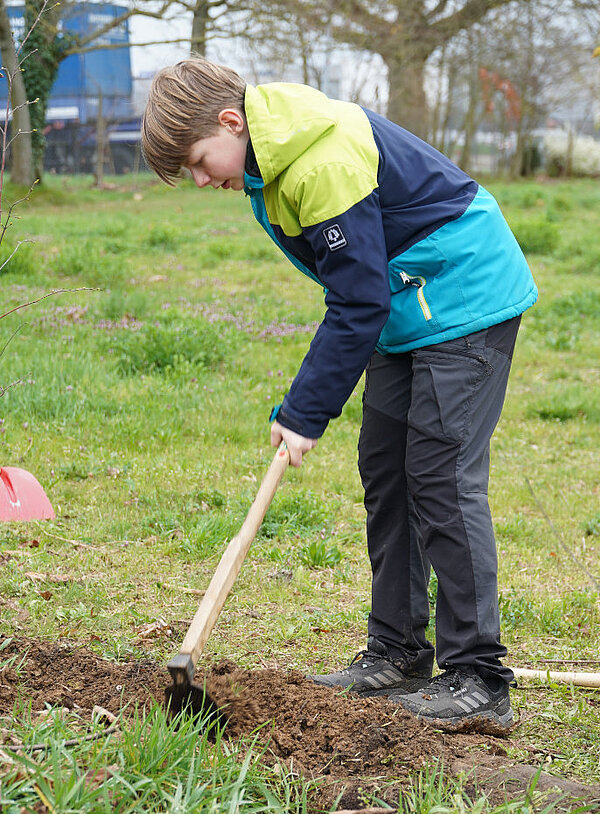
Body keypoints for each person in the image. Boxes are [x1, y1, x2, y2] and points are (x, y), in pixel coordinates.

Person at [141, 57, 537, 734]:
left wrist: (304, 412)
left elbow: (355, 298)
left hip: (463, 292)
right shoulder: (267, 161)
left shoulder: (318, 157)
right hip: (405, 305)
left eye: (199, 162)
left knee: (440, 476)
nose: (202, 180)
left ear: (230, 122)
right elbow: (356, 286)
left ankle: (478, 678)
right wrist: (306, 404)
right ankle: (397, 653)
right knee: (387, 471)